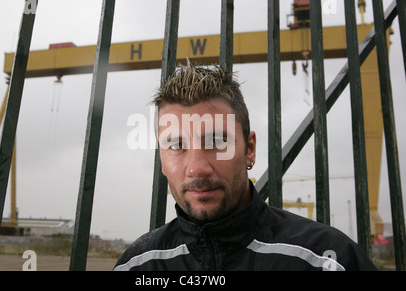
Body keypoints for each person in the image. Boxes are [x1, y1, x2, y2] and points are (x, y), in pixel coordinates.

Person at [113, 62, 377, 271]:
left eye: (217, 141)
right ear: (161, 158)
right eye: (176, 145)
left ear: (249, 149)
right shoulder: (136, 265)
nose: (196, 168)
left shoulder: (328, 260)